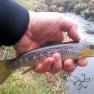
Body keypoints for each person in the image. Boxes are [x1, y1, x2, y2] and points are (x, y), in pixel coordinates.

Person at [0, 0, 87, 74]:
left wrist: (24, 23)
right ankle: (8, 66)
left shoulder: (81, 51)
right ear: (86, 48)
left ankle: (8, 66)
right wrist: (26, 24)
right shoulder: (81, 49)